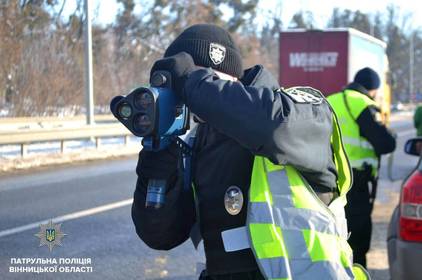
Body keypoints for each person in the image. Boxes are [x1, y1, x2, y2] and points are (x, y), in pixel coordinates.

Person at [131, 24, 367, 280]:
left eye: (195, 81)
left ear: (223, 77)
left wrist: (194, 83)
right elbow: (160, 235)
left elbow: (275, 128)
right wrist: (158, 161)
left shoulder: (300, 109)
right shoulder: (195, 143)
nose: (187, 97)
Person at [327, 67, 396, 268]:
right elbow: (385, 144)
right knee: (356, 238)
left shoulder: (330, 100)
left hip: (327, 179)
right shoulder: (364, 104)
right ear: (373, 89)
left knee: (330, 232)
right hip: (355, 183)